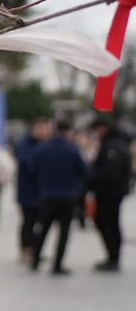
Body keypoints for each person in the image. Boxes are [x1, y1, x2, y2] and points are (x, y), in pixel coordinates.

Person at [29, 120, 87, 275]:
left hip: (47, 195)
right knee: (64, 232)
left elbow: (31, 167)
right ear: (68, 131)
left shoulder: (41, 148)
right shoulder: (72, 149)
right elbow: (84, 171)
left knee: (42, 228)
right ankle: (57, 265)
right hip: (68, 197)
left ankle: (35, 260)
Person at [87, 117, 132, 272]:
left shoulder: (114, 146)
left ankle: (113, 257)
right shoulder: (113, 143)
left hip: (110, 192)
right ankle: (112, 256)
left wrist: (92, 175)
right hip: (110, 191)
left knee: (107, 223)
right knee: (109, 222)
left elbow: (110, 172)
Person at [13, 119, 51, 262]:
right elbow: (25, 162)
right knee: (28, 221)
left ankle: (35, 249)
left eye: (47, 129)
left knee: (40, 222)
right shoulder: (24, 144)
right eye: (43, 128)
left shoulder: (46, 144)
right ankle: (25, 250)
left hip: (42, 191)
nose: (45, 132)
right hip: (27, 191)